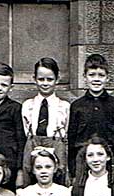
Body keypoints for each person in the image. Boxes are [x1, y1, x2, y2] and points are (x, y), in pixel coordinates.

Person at [68, 54, 114, 179]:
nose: (96, 79)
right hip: (83, 161)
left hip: (110, 162)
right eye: (92, 75)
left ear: (107, 78)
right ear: (85, 77)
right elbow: (71, 140)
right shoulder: (77, 106)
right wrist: (72, 171)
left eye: (101, 75)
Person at [21, 57, 71, 185]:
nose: (45, 83)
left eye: (50, 79)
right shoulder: (27, 105)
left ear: (57, 79)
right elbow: (25, 130)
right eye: (41, 79)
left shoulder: (64, 106)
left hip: (56, 144)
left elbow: (66, 133)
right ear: (34, 79)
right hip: (32, 146)